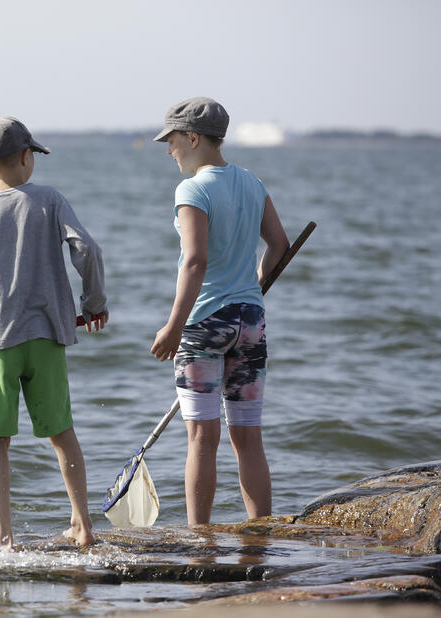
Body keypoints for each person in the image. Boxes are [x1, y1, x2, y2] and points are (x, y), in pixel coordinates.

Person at [0, 116, 109, 548]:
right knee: (62, 432)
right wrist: (94, 303)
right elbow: (86, 248)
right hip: (47, 336)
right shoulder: (49, 200)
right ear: (25, 156)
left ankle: (3, 537)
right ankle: (83, 526)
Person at [150, 97, 289, 525]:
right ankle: (262, 533)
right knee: (248, 438)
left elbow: (195, 261)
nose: (169, 149)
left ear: (193, 138)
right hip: (250, 321)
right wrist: (255, 287)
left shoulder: (192, 188)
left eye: (172, 140)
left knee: (201, 438)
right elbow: (279, 246)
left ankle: (200, 541)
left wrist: (173, 327)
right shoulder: (252, 181)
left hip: (205, 322)